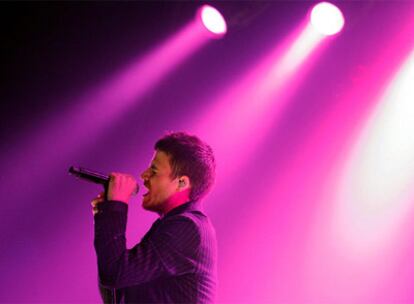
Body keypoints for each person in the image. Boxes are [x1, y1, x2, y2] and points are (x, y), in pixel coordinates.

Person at [91, 132, 217, 304]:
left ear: (181, 183)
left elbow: (114, 273)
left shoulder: (187, 227)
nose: (143, 175)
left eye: (154, 170)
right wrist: (105, 214)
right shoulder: (173, 225)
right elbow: (116, 294)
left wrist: (116, 207)